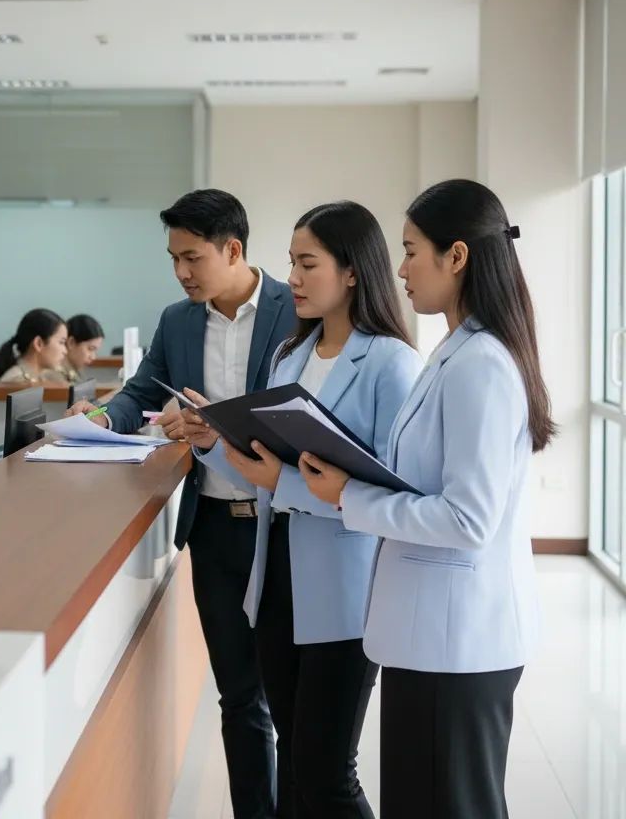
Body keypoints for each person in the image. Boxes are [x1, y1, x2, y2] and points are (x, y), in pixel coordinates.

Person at [300, 180, 550, 819]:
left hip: (456, 643)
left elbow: (468, 518)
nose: (401, 268)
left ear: (457, 256)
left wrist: (350, 495)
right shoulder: (456, 350)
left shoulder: (482, 365)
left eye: (412, 251)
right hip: (430, 637)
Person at [68, 188, 297, 819]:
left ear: (233, 249)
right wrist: (95, 417)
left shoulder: (293, 309)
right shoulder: (178, 320)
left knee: (292, 696)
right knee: (238, 695)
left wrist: (219, 428)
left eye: (192, 257)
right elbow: (139, 390)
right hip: (216, 529)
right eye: (174, 258)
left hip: (287, 527)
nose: (182, 272)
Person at [188, 202, 421, 818]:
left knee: (325, 772)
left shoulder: (391, 363)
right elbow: (264, 467)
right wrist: (212, 441)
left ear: (351, 272)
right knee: (292, 762)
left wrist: (284, 483)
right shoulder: (290, 355)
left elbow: (390, 494)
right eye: (291, 261)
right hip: (278, 580)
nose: (291, 276)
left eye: (307, 262)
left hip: (346, 593)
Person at [0, 308, 68, 382]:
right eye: (61, 342)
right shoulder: (17, 381)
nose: (65, 351)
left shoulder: (43, 377)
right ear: (38, 344)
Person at [56, 314, 105, 382]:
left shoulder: (76, 371)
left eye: (95, 351)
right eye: (90, 349)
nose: (93, 357)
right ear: (71, 343)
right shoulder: (55, 377)